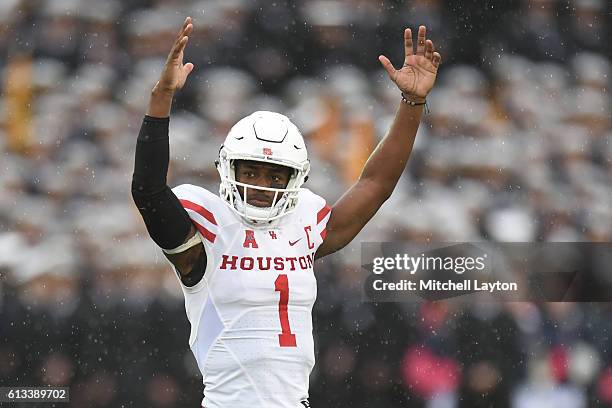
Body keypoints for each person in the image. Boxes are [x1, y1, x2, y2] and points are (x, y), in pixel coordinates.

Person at [131, 16, 441, 408]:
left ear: (295, 179)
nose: (261, 184)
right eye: (252, 171)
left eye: (275, 175)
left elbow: (374, 186)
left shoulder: (304, 224)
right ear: (229, 169)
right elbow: (148, 189)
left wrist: (412, 104)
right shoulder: (207, 230)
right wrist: (162, 98)